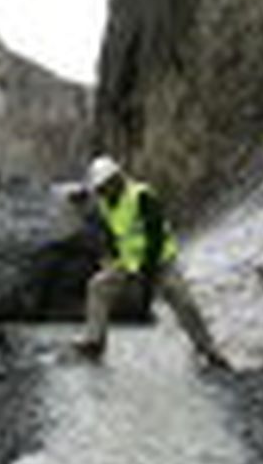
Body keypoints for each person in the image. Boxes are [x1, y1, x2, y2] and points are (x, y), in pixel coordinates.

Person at [72, 155, 231, 369]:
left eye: (104, 186)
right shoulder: (106, 203)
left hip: (159, 262)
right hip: (129, 264)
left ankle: (209, 350)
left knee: (183, 301)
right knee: (98, 286)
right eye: (99, 188)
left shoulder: (142, 196)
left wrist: (146, 273)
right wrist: (112, 258)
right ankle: (94, 341)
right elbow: (112, 233)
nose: (102, 191)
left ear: (116, 180)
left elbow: (155, 235)